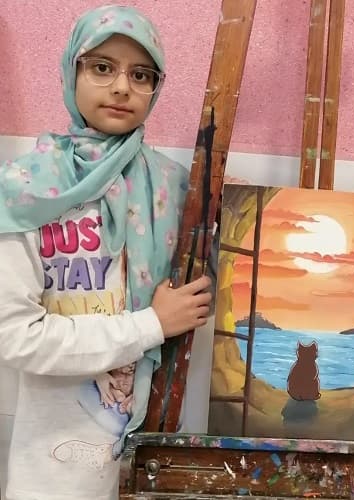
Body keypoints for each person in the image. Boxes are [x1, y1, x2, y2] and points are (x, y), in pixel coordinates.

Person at [0, 5, 212, 500]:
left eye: (141, 75)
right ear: (71, 70)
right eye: (102, 67)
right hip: (53, 470)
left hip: (153, 457)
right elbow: (15, 337)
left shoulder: (175, 189)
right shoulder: (28, 189)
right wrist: (150, 326)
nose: (121, 87)